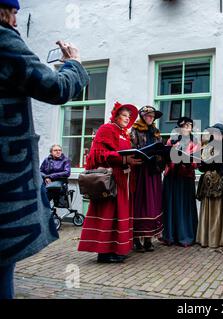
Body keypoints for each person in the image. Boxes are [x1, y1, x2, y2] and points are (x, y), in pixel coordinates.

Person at [0, 0, 88, 299]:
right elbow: (56, 88)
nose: (15, 22)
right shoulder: (3, 39)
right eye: (12, 14)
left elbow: (62, 167)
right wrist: (73, 63)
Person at [78, 102, 142, 263]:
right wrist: (123, 158)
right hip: (111, 180)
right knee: (109, 212)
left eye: (129, 116)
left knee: (119, 213)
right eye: (124, 115)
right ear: (116, 115)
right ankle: (104, 252)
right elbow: (98, 154)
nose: (127, 119)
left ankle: (117, 249)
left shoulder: (124, 133)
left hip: (123, 180)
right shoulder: (107, 129)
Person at [130, 106, 165, 252]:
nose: (151, 118)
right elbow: (132, 148)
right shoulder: (135, 130)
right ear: (143, 116)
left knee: (153, 204)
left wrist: (162, 155)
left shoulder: (156, 132)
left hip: (154, 171)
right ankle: (137, 239)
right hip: (141, 171)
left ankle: (149, 239)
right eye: (148, 115)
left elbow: (160, 149)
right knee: (141, 203)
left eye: (152, 116)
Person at [161, 117, 200, 247]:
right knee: (171, 206)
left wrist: (187, 161)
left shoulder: (195, 142)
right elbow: (165, 156)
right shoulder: (171, 140)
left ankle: (186, 236)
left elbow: (196, 162)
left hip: (185, 177)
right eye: (184, 125)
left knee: (184, 207)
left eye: (189, 125)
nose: (187, 128)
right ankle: (170, 236)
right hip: (171, 177)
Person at [196, 123, 223, 248]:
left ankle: (221, 239)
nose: (217, 136)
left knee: (221, 209)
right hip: (209, 183)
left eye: (220, 133)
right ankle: (207, 238)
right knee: (210, 208)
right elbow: (201, 167)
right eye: (215, 133)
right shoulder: (207, 147)